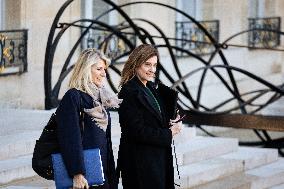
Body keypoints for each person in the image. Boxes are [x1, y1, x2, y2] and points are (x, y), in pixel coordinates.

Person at [117, 44, 182, 189]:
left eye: (154, 65)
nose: (152, 70)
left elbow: (158, 118)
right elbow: (136, 131)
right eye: (147, 65)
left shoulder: (151, 87)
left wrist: (173, 120)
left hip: (158, 159)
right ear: (136, 64)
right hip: (141, 164)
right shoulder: (128, 92)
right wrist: (169, 133)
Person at [55, 48, 121, 189]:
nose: (104, 74)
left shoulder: (100, 97)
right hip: (84, 174)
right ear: (86, 69)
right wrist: (77, 173)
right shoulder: (73, 97)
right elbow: (70, 138)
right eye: (99, 69)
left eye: (104, 69)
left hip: (103, 169)